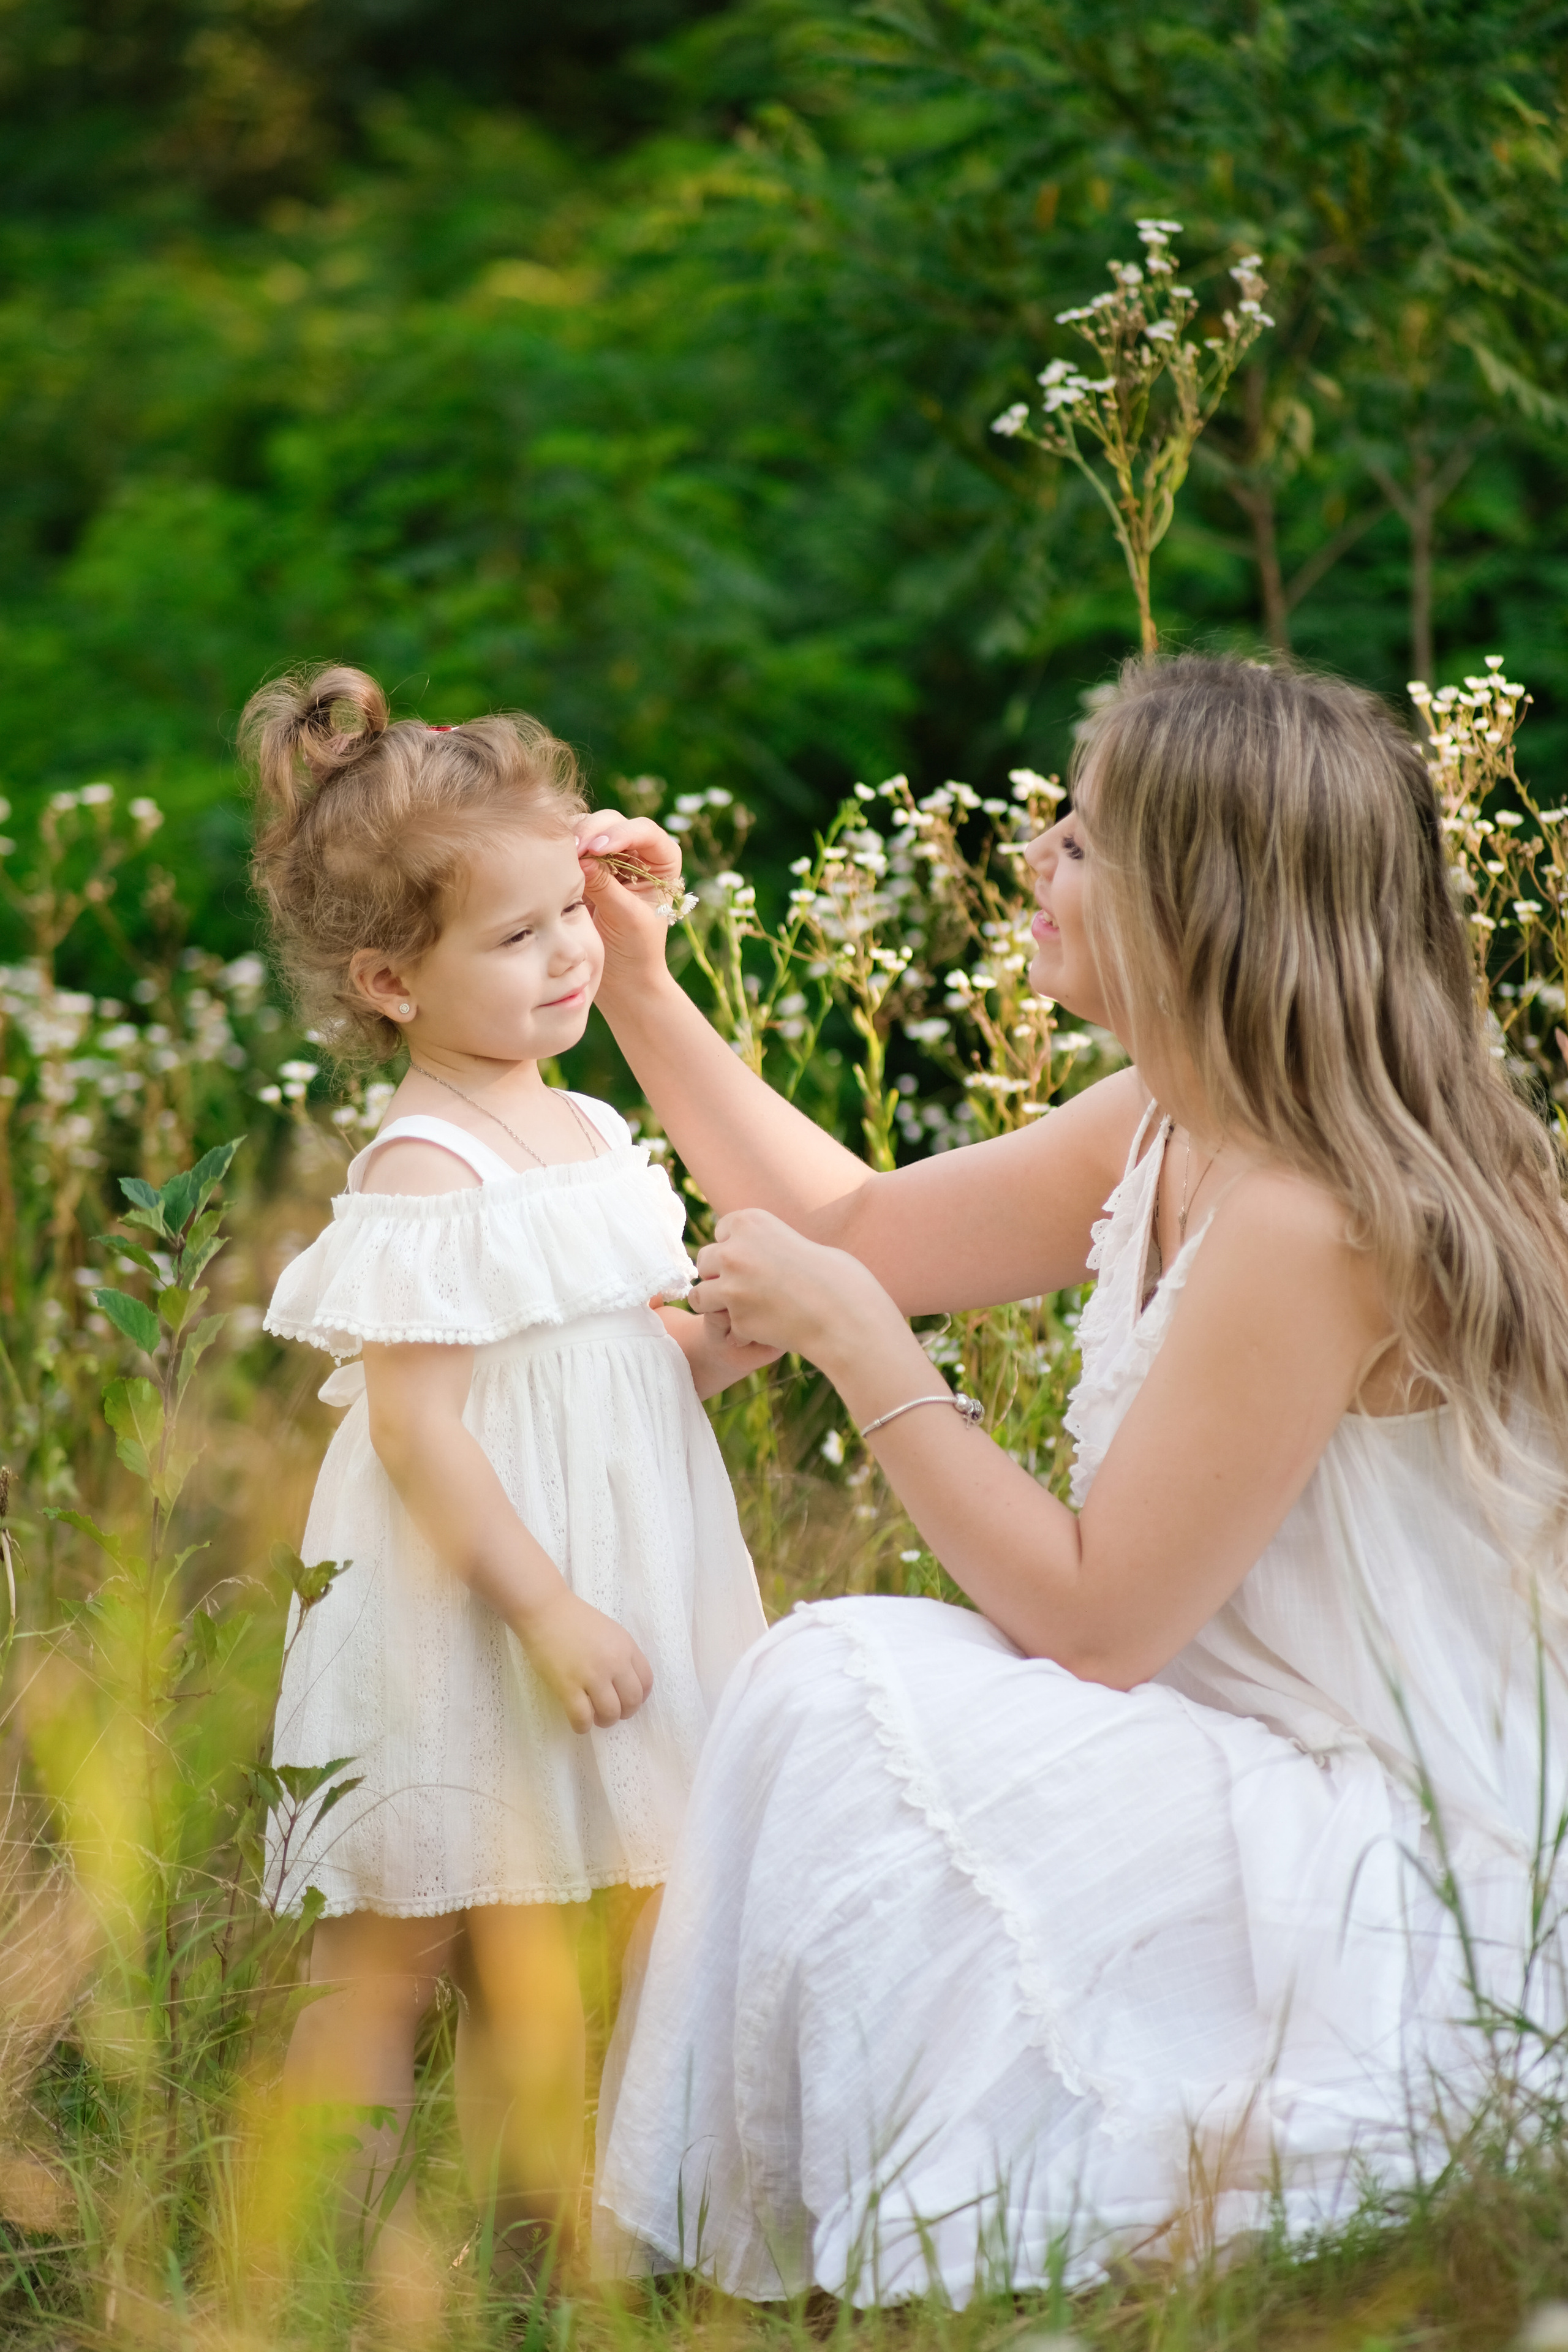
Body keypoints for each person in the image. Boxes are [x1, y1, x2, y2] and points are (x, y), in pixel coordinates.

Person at [579, 654, 1568, 2302]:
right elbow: (863, 1233)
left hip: (1387, 1853)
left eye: (1087, 842)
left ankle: (922, 2252)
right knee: (838, 1691)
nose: (1039, 859)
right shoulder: (1179, 1119)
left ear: (1206, 902)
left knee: (842, 1685)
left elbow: (1096, 1624)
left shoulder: (1308, 1217)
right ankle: (858, 2250)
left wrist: (863, 1356)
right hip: (1239, 1745)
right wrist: (636, 987)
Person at [246, 666, 771, 2286]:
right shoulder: (429, 1160)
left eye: (572, 916)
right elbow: (417, 1427)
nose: (570, 957)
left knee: (608, 1915)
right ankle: (301, 2255)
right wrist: (545, 1610)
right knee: (399, 1939)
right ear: (393, 981)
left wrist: (729, 1348)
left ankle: (567, 2242)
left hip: (614, 1567)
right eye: (520, 935)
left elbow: (614, 1373)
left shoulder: (590, 1132)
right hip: (476, 1597)